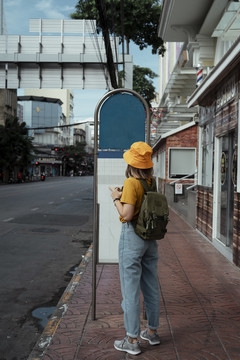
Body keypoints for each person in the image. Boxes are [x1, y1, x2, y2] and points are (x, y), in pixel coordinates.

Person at [110, 141, 160, 356]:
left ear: (131, 163)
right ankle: (152, 332)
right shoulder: (151, 182)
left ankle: (131, 340)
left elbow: (127, 215)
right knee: (150, 286)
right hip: (151, 239)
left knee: (130, 291)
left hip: (133, 238)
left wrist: (115, 198)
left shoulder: (131, 182)